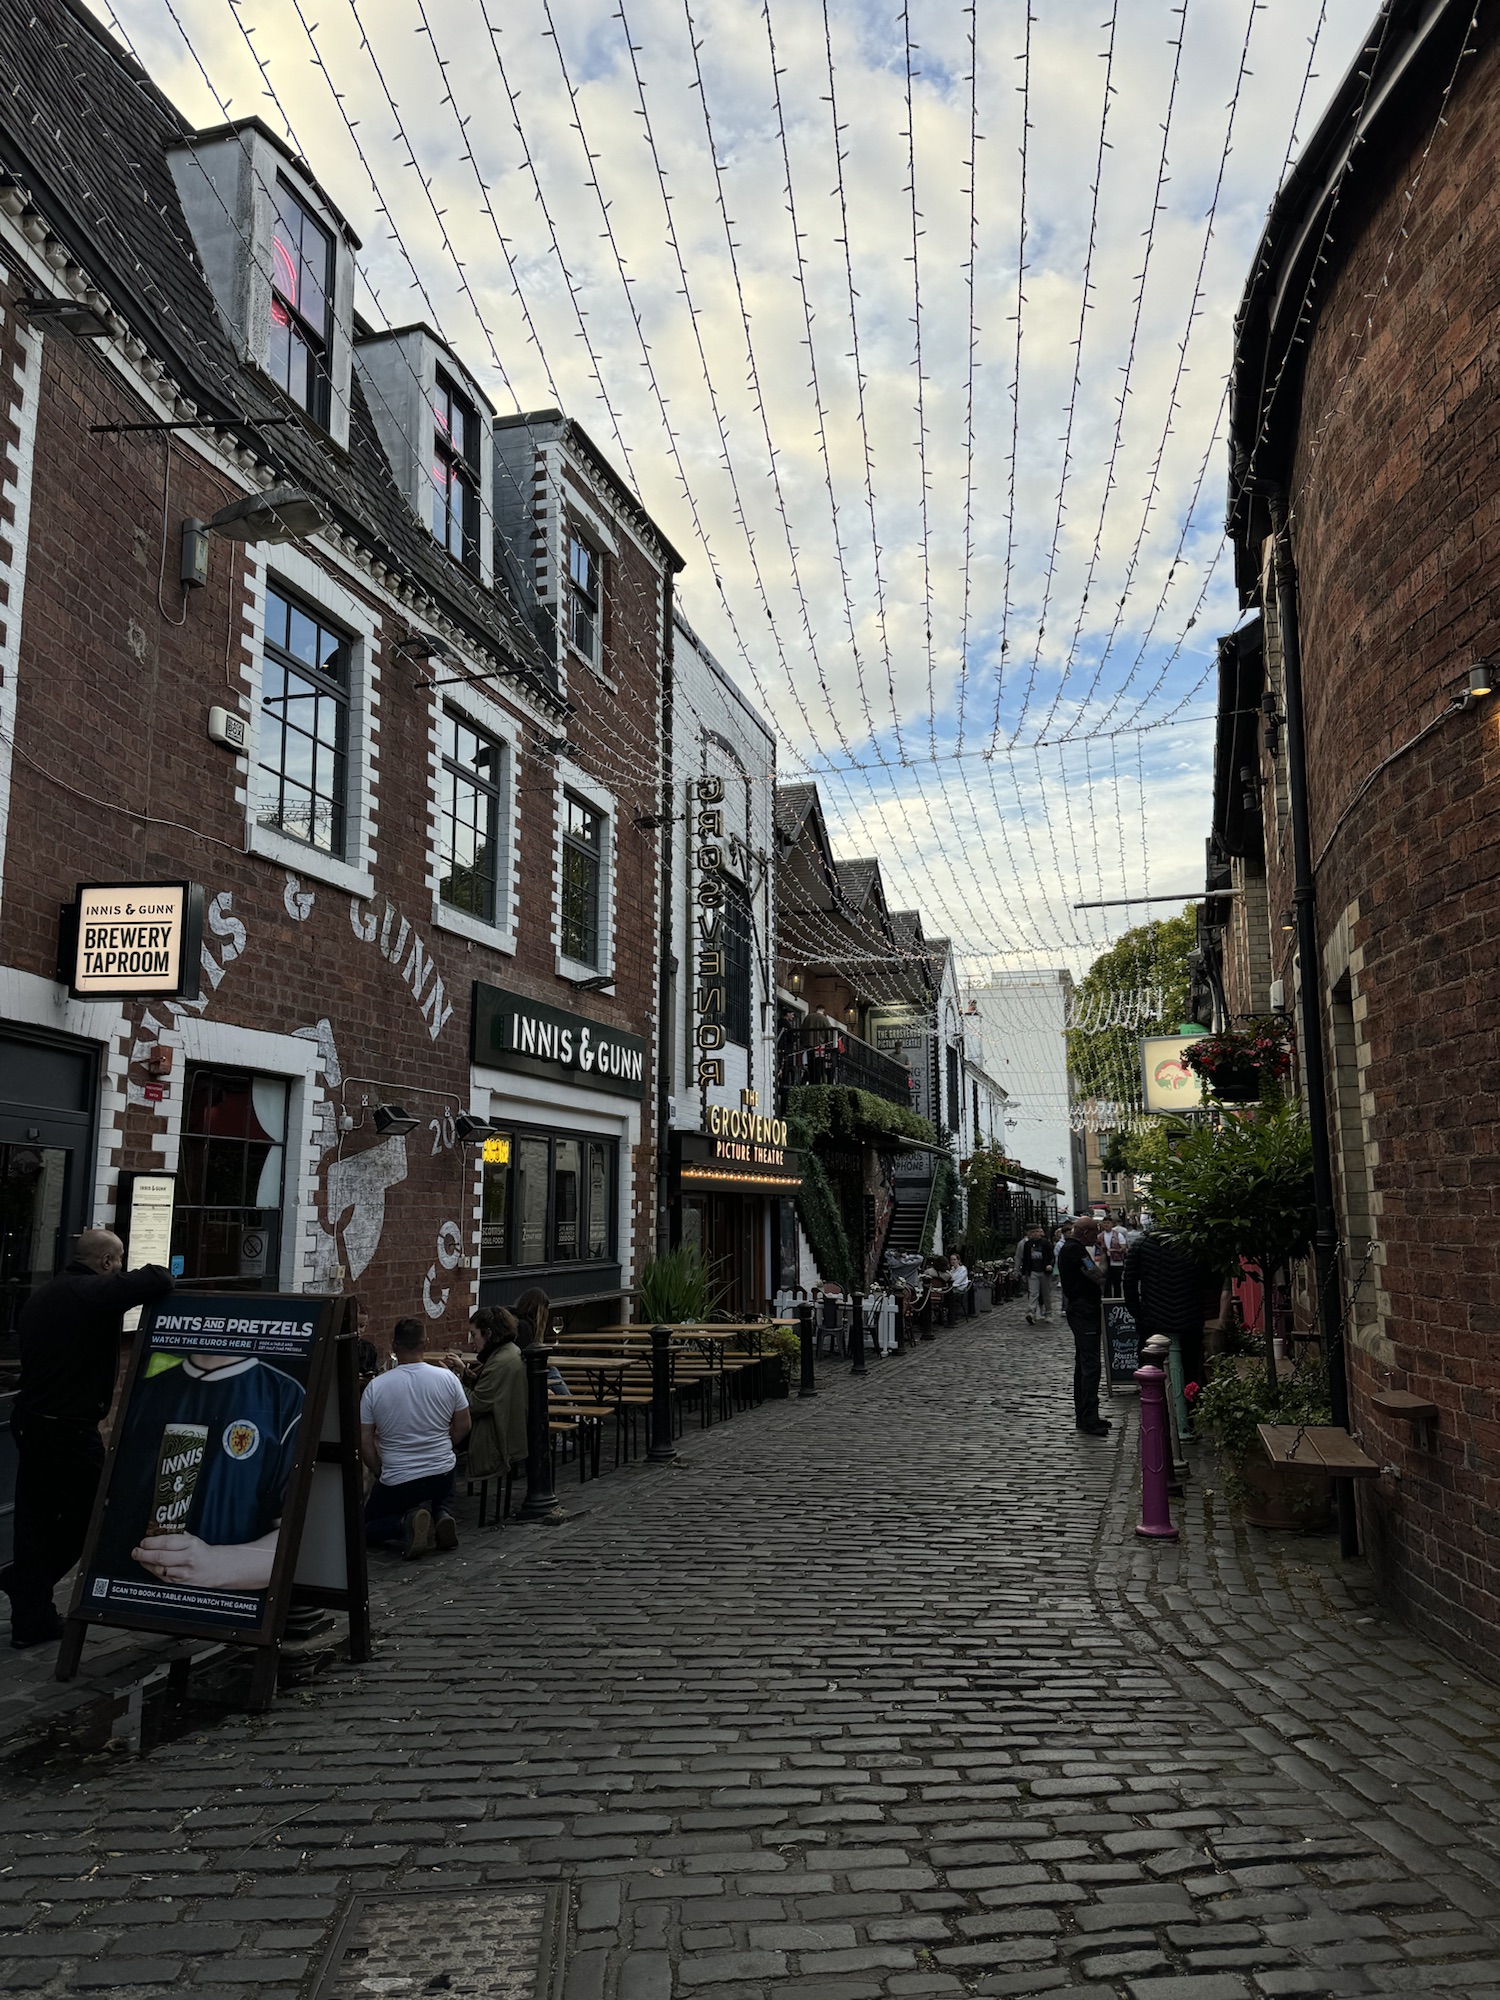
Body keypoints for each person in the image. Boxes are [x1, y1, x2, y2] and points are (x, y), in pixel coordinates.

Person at [1, 1228, 173, 1648]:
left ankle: (32, 1620)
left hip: (32, 1420)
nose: (121, 1267)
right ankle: (26, 1583)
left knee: (35, 1521)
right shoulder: (88, 1291)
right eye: (119, 1260)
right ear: (107, 1262)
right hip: (68, 1430)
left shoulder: (46, 1294)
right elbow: (159, 1278)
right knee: (98, 1512)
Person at [360, 1318, 471, 1558]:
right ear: (425, 1343)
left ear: (394, 1345)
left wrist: (378, 1470)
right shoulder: (447, 1378)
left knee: (365, 1527)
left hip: (399, 1477)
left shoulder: (376, 1387)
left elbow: (365, 1441)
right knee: (441, 1489)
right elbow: (464, 1424)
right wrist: (445, 1446)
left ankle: (405, 1523)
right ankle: (441, 1514)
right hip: (442, 1471)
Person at [1057, 1217, 1110, 1437]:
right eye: (1095, 1232)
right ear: (1086, 1232)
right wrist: (1104, 1255)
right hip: (1084, 1310)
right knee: (1090, 1365)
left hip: (1079, 1308)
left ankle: (1084, 1415)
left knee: (1083, 1364)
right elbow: (1098, 1276)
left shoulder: (1069, 1248)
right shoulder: (1075, 1251)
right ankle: (1089, 1418)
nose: (1097, 1237)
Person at [464, 1309, 527, 1482]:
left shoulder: (500, 1362)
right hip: (505, 1428)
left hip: (493, 1435)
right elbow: (491, 1390)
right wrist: (465, 1374)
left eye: (474, 1334)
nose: (472, 1341)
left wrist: (451, 1382)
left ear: (488, 1333)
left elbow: (475, 1404)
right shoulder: (508, 1351)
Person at [1016, 1223, 1054, 1325]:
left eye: (1037, 1231)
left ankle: (1048, 1313)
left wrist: (1050, 1265)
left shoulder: (1045, 1243)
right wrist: (1024, 1273)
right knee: (1033, 1293)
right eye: (1033, 1232)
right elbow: (1025, 1260)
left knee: (1046, 1294)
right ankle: (1031, 1312)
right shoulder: (1027, 1245)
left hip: (1044, 1271)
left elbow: (1051, 1256)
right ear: (1029, 1233)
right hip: (1033, 1271)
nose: (1035, 1234)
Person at [1100, 1214, 1129, 1298]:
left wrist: (1114, 1250)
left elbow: (1123, 1248)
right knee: (1106, 1282)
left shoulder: (1118, 1235)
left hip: (1116, 1262)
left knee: (1117, 1282)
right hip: (1105, 1261)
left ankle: (1117, 1298)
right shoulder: (1100, 1236)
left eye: (1108, 1223)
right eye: (1104, 1223)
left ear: (1112, 1224)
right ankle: (1107, 1298)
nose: (1106, 1225)